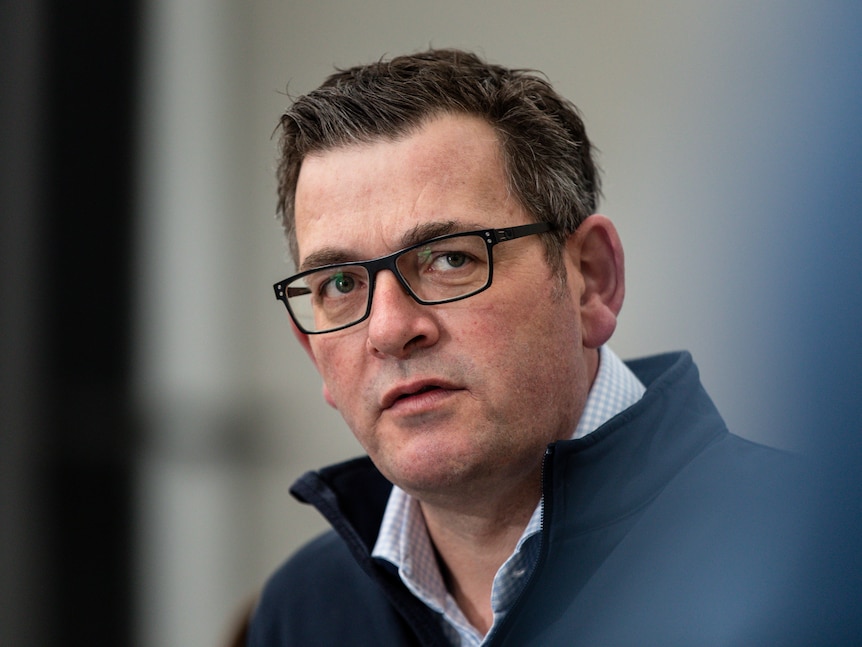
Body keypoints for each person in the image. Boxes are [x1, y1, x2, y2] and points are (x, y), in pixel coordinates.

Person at [248, 49, 818, 646]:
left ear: (590, 281)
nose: (390, 330)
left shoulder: (816, 554)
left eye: (451, 259)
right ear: (313, 350)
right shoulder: (303, 611)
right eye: (340, 284)